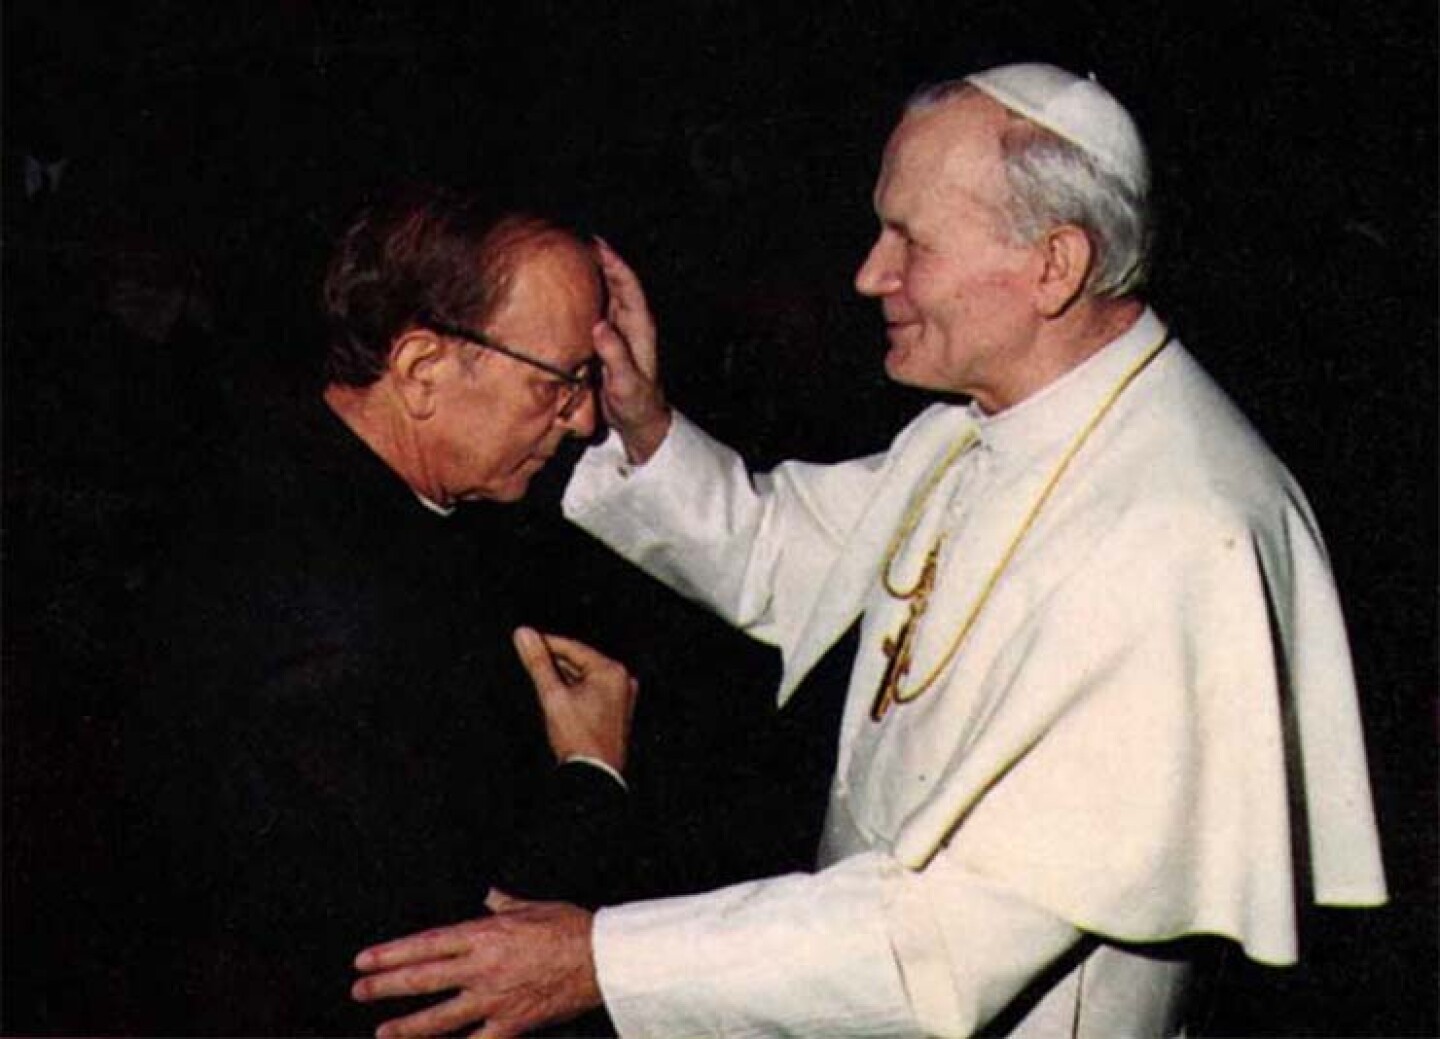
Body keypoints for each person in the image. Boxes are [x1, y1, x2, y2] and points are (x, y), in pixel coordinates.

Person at [351, 64, 1387, 1038]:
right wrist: (647, 423)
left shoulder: (1177, 532)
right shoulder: (988, 423)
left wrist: (602, 958)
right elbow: (780, 555)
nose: (867, 273)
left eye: (910, 240)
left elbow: (951, 943)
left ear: (1054, 264)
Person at [126, 184, 640, 1036]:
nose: (584, 420)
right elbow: (459, 975)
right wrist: (594, 775)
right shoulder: (337, 627)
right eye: (559, 383)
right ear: (421, 371)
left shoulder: (314, 462)